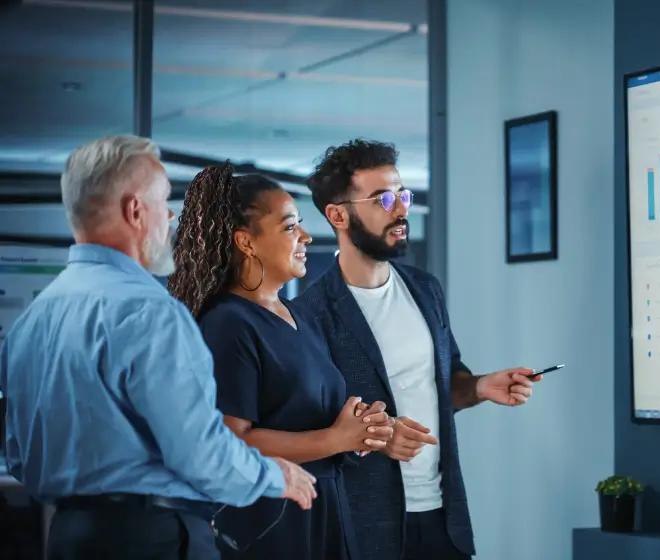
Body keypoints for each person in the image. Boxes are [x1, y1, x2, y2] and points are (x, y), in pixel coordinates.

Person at [0, 135, 317, 559]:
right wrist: (274, 477)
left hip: (67, 536)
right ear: (135, 210)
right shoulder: (149, 313)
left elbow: (19, 456)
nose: (170, 216)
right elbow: (200, 453)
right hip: (153, 537)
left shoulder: (32, 320)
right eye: (164, 201)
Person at [293, 139, 541, 560]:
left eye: (402, 195)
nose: (401, 209)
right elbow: (312, 429)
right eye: (383, 199)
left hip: (443, 518)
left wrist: (480, 387)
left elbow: (444, 384)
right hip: (365, 526)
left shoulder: (425, 290)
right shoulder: (308, 315)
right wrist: (377, 438)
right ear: (338, 214)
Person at [167, 164, 394, 559]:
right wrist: (335, 438)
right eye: (290, 227)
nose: (306, 236)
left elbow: (311, 416)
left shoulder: (298, 316)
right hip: (273, 526)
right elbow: (230, 441)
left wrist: (362, 428)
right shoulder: (226, 324)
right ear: (246, 242)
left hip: (324, 512)